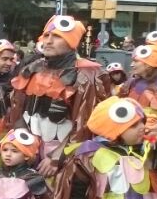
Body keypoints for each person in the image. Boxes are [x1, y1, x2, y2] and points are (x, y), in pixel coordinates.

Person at [8, 15, 101, 163]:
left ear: (71, 42)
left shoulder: (87, 76)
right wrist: (21, 143)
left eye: (57, 36)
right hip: (29, 153)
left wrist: (58, 157)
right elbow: (17, 109)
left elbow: (85, 125)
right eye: (46, 35)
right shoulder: (32, 69)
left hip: (64, 158)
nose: (48, 41)